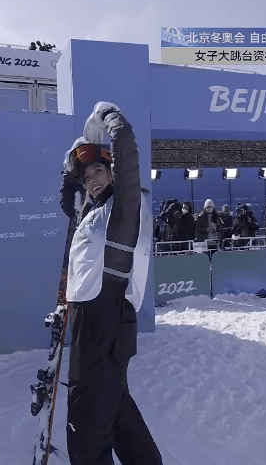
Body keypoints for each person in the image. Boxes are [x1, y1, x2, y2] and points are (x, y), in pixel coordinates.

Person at [59, 101, 163, 465]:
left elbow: (127, 149)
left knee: (88, 419)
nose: (92, 180)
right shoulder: (95, 212)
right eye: (87, 177)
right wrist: (70, 163)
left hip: (106, 315)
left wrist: (108, 115)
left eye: (99, 171)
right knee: (117, 412)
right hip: (95, 319)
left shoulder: (125, 207)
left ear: (114, 172)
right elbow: (66, 201)